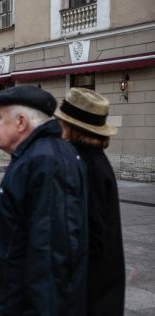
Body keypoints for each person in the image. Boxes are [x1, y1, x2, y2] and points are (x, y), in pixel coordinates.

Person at [0, 86, 88, 315]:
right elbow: (30, 220)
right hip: (11, 297)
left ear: (21, 122)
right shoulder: (33, 155)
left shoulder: (46, 160)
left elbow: (51, 252)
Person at [54, 87, 125, 316]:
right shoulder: (91, 159)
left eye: (62, 122)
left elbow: (88, 233)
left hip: (91, 288)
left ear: (73, 128)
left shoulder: (84, 164)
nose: (59, 127)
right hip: (101, 282)